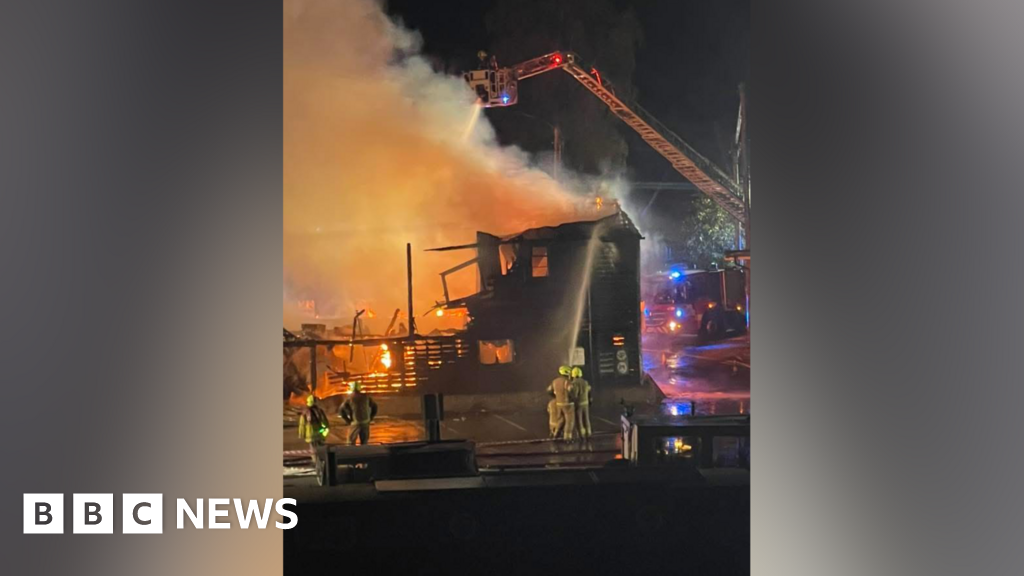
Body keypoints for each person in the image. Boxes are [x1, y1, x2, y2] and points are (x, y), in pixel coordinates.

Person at [339, 381, 378, 445]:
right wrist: (370, 418)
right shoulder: (366, 397)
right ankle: (364, 454)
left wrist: (348, 421)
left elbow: (341, 411)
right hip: (365, 422)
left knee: (350, 443)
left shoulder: (349, 398)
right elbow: (375, 407)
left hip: (355, 423)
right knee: (364, 443)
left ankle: (352, 454)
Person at [546, 365, 575, 441]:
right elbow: (571, 390)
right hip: (567, 404)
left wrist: (555, 397)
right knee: (569, 421)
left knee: (560, 419)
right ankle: (567, 438)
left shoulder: (555, 381)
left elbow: (549, 390)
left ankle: (555, 434)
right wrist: (572, 397)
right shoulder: (567, 381)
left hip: (558, 403)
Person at [298, 394, 329, 463]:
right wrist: (325, 430)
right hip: (319, 434)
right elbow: (324, 421)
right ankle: (323, 462)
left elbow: (302, 425)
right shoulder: (319, 411)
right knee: (321, 449)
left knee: (313, 451)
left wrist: (301, 434)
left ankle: (316, 463)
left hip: (310, 435)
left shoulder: (305, 412)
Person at [570, 366, 593, 445]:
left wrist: (571, 395)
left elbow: (575, 394)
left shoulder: (574, 383)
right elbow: (589, 391)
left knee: (579, 420)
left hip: (579, 404)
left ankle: (582, 436)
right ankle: (589, 433)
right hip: (586, 403)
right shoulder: (585, 382)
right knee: (586, 419)